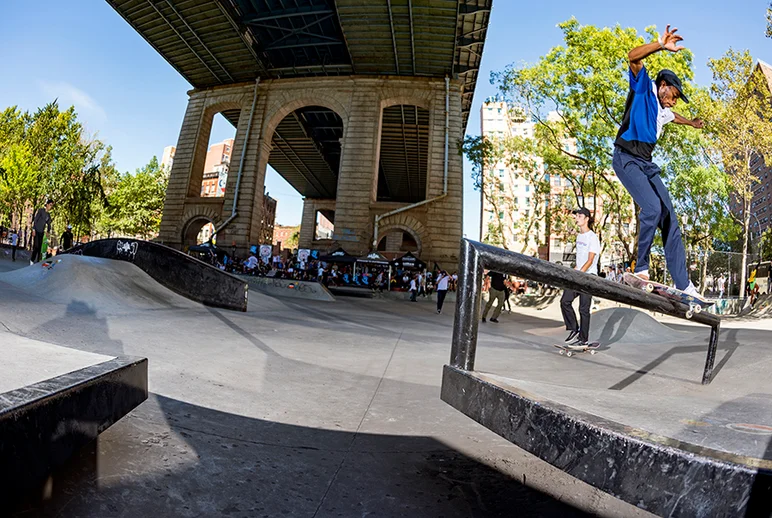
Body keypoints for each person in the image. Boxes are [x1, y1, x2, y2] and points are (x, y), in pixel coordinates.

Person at [613, 24, 702, 298]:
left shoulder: (666, 112)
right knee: (651, 208)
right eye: (673, 96)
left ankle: (684, 283)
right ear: (663, 87)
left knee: (669, 216)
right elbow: (632, 56)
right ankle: (640, 268)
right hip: (626, 158)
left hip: (647, 164)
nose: (673, 102)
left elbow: (676, 118)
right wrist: (660, 45)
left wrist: (693, 123)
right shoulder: (645, 90)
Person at [561, 208, 600, 345]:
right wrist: (573, 273)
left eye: (579, 216)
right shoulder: (579, 237)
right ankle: (574, 329)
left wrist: (579, 273)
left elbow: (590, 260)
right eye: (576, 216)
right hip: (579, 274)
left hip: (589, 276)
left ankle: (583, 339)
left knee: (583, 308)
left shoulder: (592, 237)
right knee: (565, 301)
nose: (576, 218)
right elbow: (580, 260)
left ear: (586, 218)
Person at [30, 199, 54, 264]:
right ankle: (32, 260)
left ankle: (38, 261)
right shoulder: (41, 211)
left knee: (40, 247)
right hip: (36, 230)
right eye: (50, 205)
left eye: (52, 206)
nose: (50, 207)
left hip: (41, 232)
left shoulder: (48, 215)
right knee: (36, 246)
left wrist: (48, 232)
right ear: (47, 204)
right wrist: (33, 229)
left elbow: (49, 224)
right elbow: (35, 220)